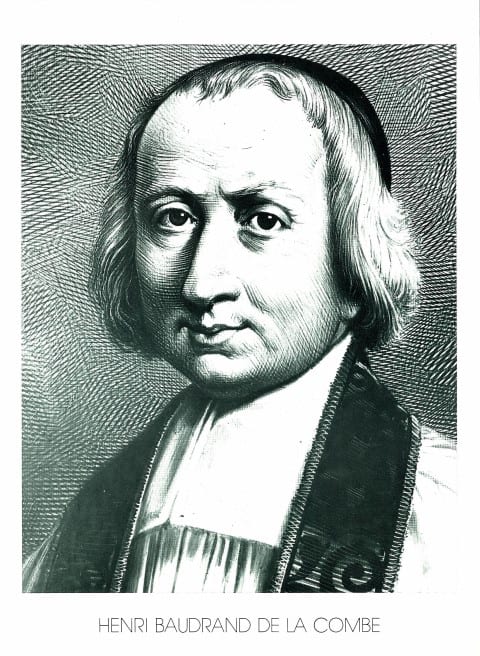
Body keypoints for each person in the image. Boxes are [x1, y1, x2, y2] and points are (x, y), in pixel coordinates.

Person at [23, 54, 455, 593]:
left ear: (354, 259)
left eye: (263, 220)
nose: (201, 283)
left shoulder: (445, 513)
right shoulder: (98, 512)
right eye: (173, 217)